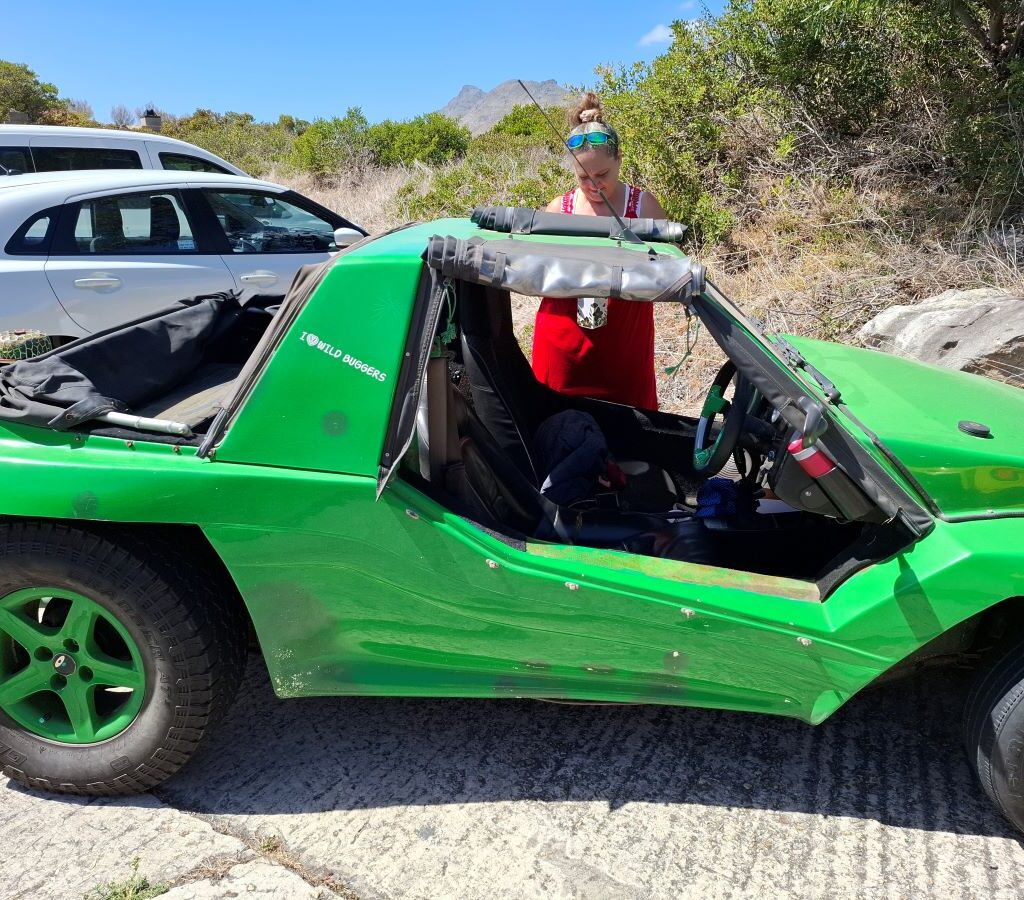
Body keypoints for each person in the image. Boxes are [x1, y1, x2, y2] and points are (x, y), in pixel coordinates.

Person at [531, 92, 668, 411]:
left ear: (619, 158)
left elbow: (665, 270)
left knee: (631, 429)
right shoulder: (559, 209)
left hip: (624, 342)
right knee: (559, 422)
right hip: (563, 341)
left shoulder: (643, 206)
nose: (593, 186)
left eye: (602, 175)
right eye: (583, 178)